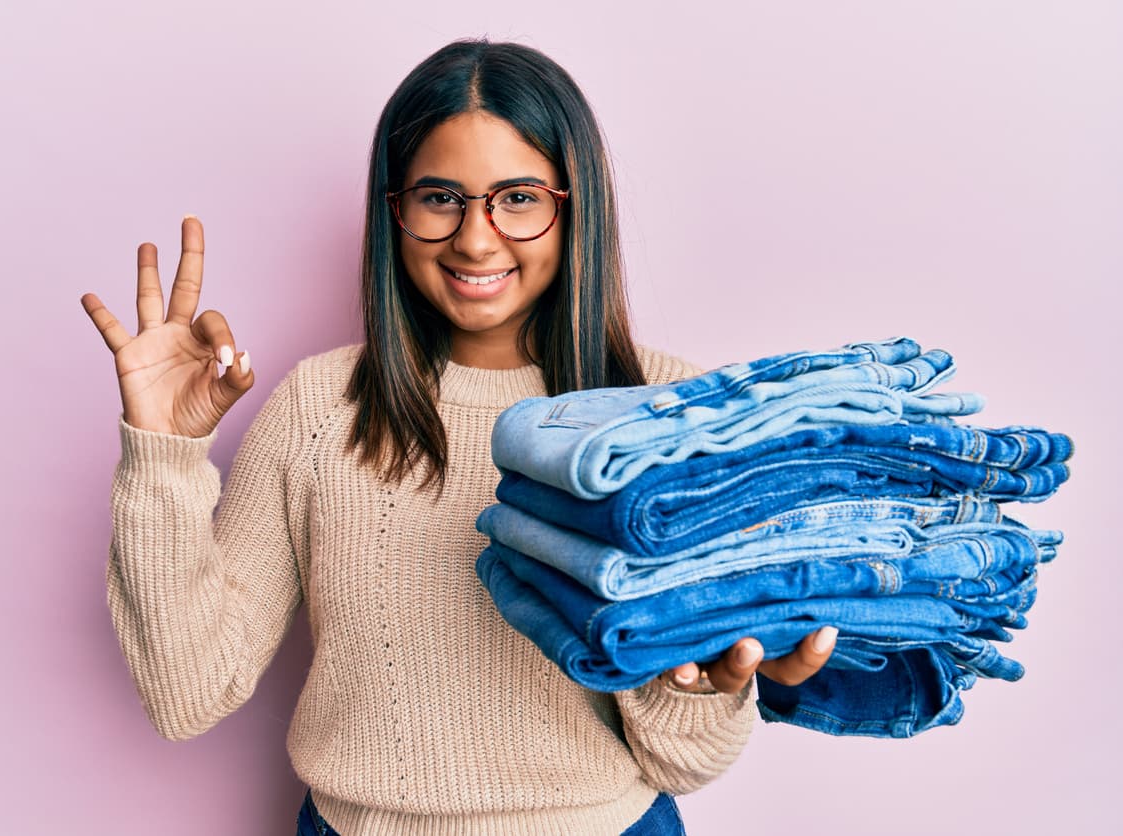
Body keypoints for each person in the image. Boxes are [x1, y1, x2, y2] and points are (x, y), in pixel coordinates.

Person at [80, 38, 837, 834]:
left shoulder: (669, 411)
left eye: (517, 197)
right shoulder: (317, 407)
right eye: (441, 197)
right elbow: (187, 692)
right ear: (394, 210)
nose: (476, 240)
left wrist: (700, 686)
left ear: (573, 203)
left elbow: (685, 763)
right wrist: (161, 452)